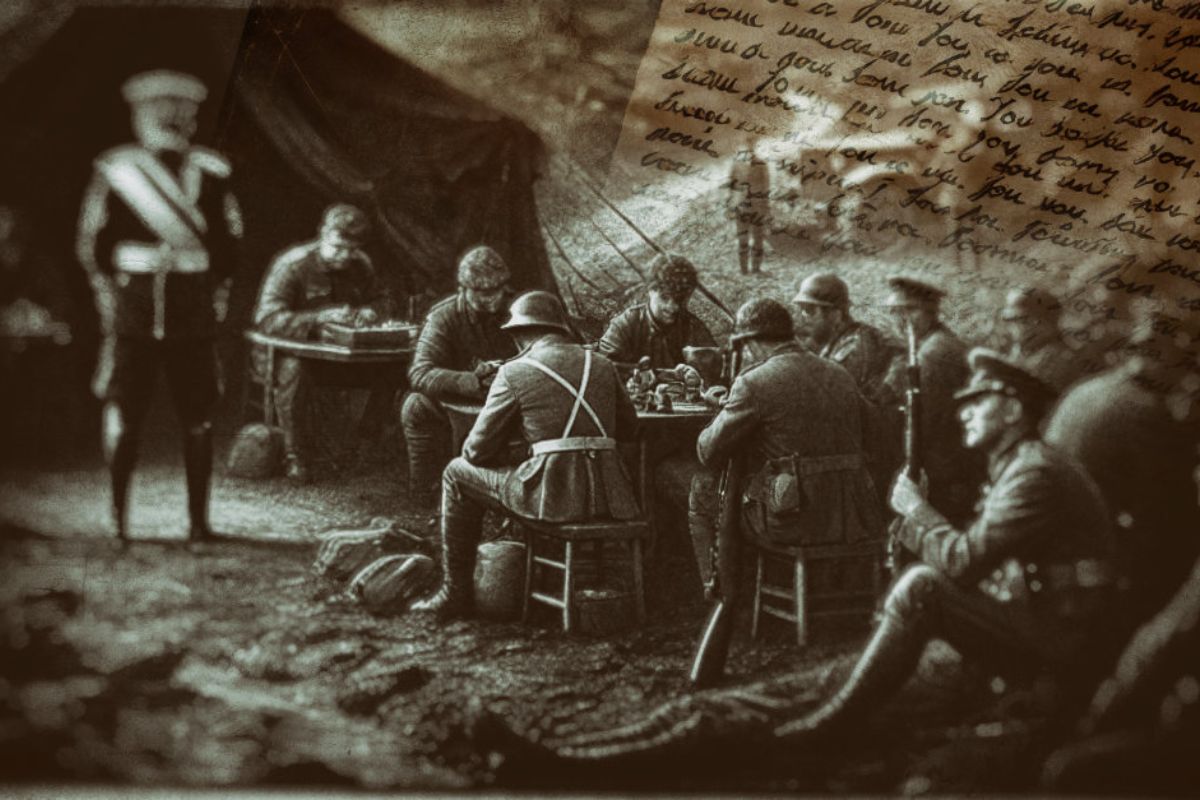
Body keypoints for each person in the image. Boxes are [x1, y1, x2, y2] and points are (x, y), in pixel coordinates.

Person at [472, 350, 1117, 777]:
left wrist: (917, 513)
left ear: (1016, 410)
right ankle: (573, 758)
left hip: (1033, 651)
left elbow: (966, 565)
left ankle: (809, 734)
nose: (967, 409)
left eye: (981, 400)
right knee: (769, 695)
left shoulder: (1034, 474)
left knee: (833, 664)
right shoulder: (1022, 466)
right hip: (1000, 630)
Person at [77, 69, 242, 542]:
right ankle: (117, 521)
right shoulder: (116, 170)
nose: (169, 121)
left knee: (199, 418)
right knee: (124, 416)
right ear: (140, 118)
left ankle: (198, 523)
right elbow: (94, 246)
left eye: (179, 115)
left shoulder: (213, 172)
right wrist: (112, 302)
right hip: (133, 314)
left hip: (192, 315)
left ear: (192, 121)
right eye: (159, 114)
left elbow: (229, 248)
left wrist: (214, 299)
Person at [687, 298, 884, 681]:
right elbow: (877, 433)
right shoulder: (838, 373)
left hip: (793, 522)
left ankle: (717, 595)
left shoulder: (754, 382)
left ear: (751, 343)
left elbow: (707, 451)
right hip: (853, 517)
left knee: (701, 490)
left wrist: (722, 407)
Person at [410, 291, 640, 617]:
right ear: (560, 329)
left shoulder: (513, 372)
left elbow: (475, 451)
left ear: (520, 335)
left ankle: (455, 594)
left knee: (456, 472)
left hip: (553, 498)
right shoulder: (601, 364)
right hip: (611, 497)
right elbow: (630, 430)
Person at [1045, 310, 1200, 632]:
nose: (1182, 376)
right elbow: (1170, 507)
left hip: (1048, 535)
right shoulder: (1145, 409)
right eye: (1179, 363)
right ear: (1161, 360)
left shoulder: (1086, 388)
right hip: (1083, 558)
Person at [253, 204, 391, 481]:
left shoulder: (360, 264)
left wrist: (372, 310)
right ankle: (296, 455)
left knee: (391, 371)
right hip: (290, 353)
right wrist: (316, 320)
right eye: (338, 247)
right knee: (295, 370)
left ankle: (362, 446)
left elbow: (382, 298)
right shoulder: (293, 266)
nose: (344, 257)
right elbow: (267, 318)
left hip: (340, 355)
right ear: (323, 234)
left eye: (352, 250)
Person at [401, 245, 518, 506]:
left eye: (496, 290)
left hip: (517, 395)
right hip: (465, 398)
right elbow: (420, 372)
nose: (491, 299)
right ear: (463, 289)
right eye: (481, 292)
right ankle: (426, 492)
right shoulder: (444, 317)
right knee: (415, 406)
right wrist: (471, 380)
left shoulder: (521, 308)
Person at [882, 276, 984, 527]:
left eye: (908, 310)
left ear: (929, 313)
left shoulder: (934, 353)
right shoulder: (931, 344)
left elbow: (919, 422)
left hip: (945, 473)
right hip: (947, 467)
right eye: (894, 311)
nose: (900, 320)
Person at [597, 252, 716, 369]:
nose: (672, 307)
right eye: (664, 297)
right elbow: (601, 368)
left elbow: (713, 374)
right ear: (650, 290)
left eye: (679, 300)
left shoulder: (693, 328)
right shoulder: (625, 326)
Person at [793, 272, 897, 406]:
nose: (804, 317)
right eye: (802, 309)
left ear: (836, 314)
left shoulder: (853, 347)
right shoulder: (840, 339)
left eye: (809, 310)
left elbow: (825, 401)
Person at [998, 285, 1081, 394]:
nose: (1016, 327)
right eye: (1011, 321)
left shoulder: (1058, 358)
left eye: (1023, 320)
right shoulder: (1022, 352)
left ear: (1045, 321)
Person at [728, 137, 769, 275]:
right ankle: (744, 270)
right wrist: (730, 206)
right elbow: (731, 186)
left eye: (752, 146)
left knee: (758, 239)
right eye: (746, 147)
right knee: (742, 239)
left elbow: (766, 188)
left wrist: (766, 210)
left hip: (758, 208)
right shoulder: (736, 165)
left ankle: (756, 268)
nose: (749, 150)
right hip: (741, 207)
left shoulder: (762, 164)